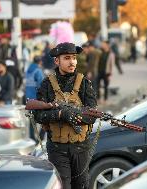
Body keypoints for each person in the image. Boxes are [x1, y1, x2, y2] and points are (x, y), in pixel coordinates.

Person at [34, 42, 97, 189]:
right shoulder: (47, 84)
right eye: (67, 58)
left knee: (81, 186)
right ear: (57, 61)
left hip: (80, 148)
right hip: (57, 149)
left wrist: (73, 115)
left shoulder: (84, 83)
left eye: (74, 58)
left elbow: (92, 115)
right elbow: (38, 115)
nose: (72, 62)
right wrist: (60, 114)